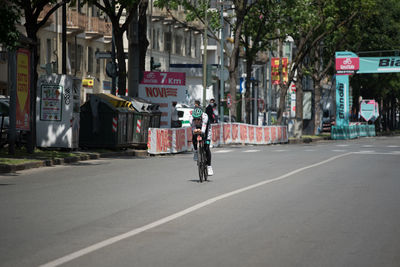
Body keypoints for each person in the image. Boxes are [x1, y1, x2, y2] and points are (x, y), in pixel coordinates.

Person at [190, 107, 213, 176]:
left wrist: (201, 132)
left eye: (198, 119)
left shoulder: (205, 117)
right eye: (195, 119)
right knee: (194, 138)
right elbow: (193, 129)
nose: (196, 120)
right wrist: (195, 131)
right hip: (197, 128)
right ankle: (196, 151)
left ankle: (209, 166)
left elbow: (203, 130)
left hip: (206, 129)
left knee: (206, 147)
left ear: (201, 117)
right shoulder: (191, 119)